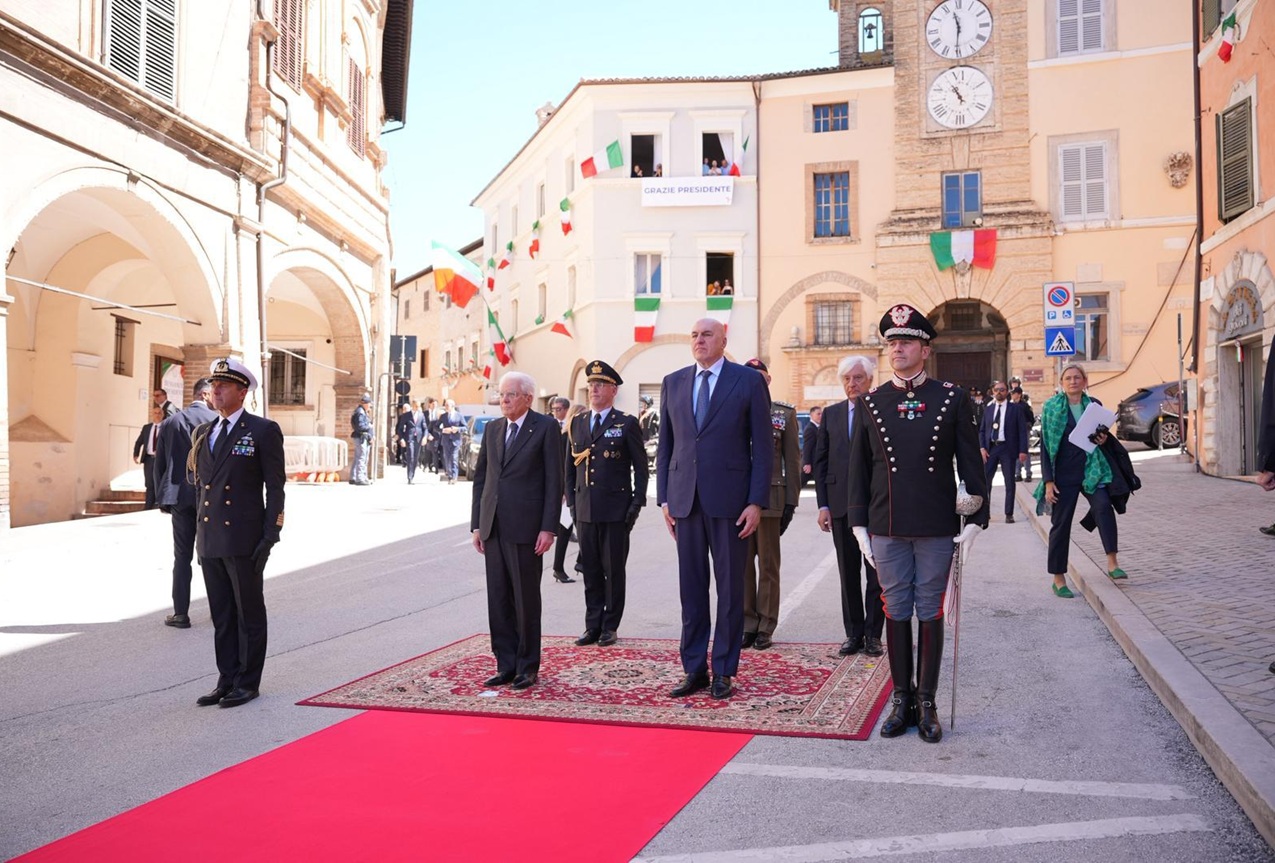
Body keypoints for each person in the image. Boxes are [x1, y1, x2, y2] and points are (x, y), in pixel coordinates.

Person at [847, 304, 988, 743]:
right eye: (892, 342)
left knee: (928, 608)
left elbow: (970, 461)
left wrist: (976, 517)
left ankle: (926, 703)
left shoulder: (951, 398)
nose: (898, 349)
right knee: (894, 607)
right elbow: (859, 470)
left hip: (934, 522)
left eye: (906, 342)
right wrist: (858, 525)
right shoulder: (871, 402)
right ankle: (900, 699)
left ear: (925, 350)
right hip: (886, 521)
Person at [657, 318, 772, 700]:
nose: (699, 340)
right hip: (685, 501)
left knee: (730, 590)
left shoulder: (747, 381)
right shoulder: (674, 382)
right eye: (694, 335)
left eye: (707, 335)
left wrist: (756, 501)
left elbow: (763, 448)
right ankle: (694, 668)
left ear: (723, 340)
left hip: (731, 502)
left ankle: (723, 669)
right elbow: (666, 446)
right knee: (691, 590)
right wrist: (664, 499)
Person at [190, 358, 286, 709]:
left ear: (242, 392)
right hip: (211, 538)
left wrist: (270, 534)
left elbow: (275, 487)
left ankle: (247, 682)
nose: (215, 390)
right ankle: (226, 678)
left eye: (224, 385)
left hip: (244, 538)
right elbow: (201, 488)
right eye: (213, 385)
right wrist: (198, 537)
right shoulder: (205, 432)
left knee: (248, 614)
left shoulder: (262, 430)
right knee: (222, 615)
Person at [470, 372, 562, 690]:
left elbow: (554, 481)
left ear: (528, 398)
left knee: (525, 600)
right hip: (493, 525)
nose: (504, 399)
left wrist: (548, 527)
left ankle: (527, 666)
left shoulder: (545, 427)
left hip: (527, 528)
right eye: (502, 394)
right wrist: (477, 524)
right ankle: (505, 664)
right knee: (498, 599)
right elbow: (482, 479)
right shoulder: (494, 428)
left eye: (510, 394)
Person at [565, 361, 648, 646]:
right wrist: (572, 504)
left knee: (613, 571)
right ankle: (592, 625)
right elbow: (569, 468)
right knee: (590, 571)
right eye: (591, 385)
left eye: (600, 385)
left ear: (613, 390)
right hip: (585, 509)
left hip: (615, 511)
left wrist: (636, 505)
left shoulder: (626, 423)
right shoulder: (577, 423)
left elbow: (641, 469)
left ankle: (610, 626)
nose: (594, 389)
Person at [1036, 364, 1126, 597]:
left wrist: (1103, 439)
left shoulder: (1094, 405)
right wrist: (1048, 481)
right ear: (1061, 383)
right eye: (1068, 378)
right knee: (1061, 524)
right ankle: (1058, 579)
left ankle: (1112, 563)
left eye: (1077, 377)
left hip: (1091, 469)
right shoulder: (1051, 407)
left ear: (1085, 381)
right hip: (1063, 474)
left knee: (1103, 506)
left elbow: (1103, 437)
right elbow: (1046, 447)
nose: (1073, 381)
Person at [815, 355, 884, 658]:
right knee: (848, 573)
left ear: (870, 380)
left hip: (875, 507)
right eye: (847, 379)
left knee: (876, 574)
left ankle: (873, 635)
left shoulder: (881, 411)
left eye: (858, 378)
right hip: (840, 506)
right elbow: (821, 462)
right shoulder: (831, 415)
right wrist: (823, 505)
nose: (852, 384)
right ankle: (853, 633)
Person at [740, 358, 799, 651]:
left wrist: (791, 503)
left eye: (761, 377)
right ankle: (747, 624)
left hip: (771, 500)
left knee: (768, 566)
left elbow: (793, 460)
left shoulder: (782, 414)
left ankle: (766, 626)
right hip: (737, 501)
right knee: (741, 567)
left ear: (769, 380)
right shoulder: (733, 410)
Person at [153, 377, 217, 629]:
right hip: (209, 497)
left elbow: (160, 464)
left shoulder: (171, 422)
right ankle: (218, 610)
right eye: (214, 393)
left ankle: (180, 613)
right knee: (211, 555)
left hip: (180, 497)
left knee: (182, 556)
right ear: (205, 394)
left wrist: (162, 497)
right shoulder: (217, 420)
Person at [979, 380, 1029, 523]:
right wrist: (982, 448)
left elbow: (1022, 431)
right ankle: (985, 513)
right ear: (992, 392)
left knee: (1009, 482)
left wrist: (1023, 450)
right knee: (986, 482)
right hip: (991, 449)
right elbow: (982, 430)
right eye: (996, 390)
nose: (999, 392)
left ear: (1007, 392)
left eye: (1002, 389)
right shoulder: (988, 409)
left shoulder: (1015, 409)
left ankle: (1009, 513)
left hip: (1008, 448)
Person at [549, 397, 577, 584]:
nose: (556, 412)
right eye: (554, 409)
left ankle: (580, 564)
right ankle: (558, 568)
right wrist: (564, 490)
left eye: (559, 409)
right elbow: (561, 465)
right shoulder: (565, 435)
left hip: (576, 488)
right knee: (565, 529)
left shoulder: (573, 434)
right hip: (568, 489)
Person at [133, 406, 165, 509]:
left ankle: (159, 505)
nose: (157, 415)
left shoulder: (166, 428)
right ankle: (148, 506)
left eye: (159, 413)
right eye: (155, 413)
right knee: (149, 484)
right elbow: (139, 442)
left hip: (161, 460)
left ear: (163, 415)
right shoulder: (146, 428)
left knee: (159, 482)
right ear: (152, 414)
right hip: (148, 459)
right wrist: (136, 454)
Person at [395, 403, 424, 484]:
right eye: (416, 406)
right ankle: (410, 477)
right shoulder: (406, 415)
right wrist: (401, 439)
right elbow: (400, 428)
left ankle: (412, 474)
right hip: (409, 438)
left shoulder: (421, 415)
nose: (417, 408)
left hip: (418, 439)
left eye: (418, 406)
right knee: (410, 456)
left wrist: (425, 437)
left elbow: (424, 427)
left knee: (415, 458)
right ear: (413, 406)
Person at [438, 399, 465, 484]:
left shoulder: (459, 415)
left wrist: (457, 429)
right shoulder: (443, 416)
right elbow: (435, 427)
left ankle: (454, 477)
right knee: (447, 459)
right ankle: (450, 476)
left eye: (447, 405)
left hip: (455, 440)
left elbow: (465, 427)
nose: (445, 407)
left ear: (452, 406)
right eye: (445, 405)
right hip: (446, 440)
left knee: (454, 458)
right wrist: (443, 430)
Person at [1012, 387, 1036, 482]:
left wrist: (1028, 426)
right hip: (1014, 431)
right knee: (1015, 452)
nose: (1012, 395)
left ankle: (1028, 473)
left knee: (1025, 452)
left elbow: (1031, 418)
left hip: (1024, 431)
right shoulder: (1011, 405)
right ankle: (1017, 473)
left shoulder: (1025, 406)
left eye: (1014, 393)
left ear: (1019, 394)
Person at [349, 393, 373, 485]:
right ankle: (360, 478)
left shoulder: (360, 411)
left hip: (360, 437)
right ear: (365, 403)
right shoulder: (361, 412)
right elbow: (360, 426)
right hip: (361, 437)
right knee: (362, 458)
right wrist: (369, 426)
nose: (370, 406)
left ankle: (353, 477)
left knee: (358, 457)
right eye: (369, 404)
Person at [801, 405, 823, 487]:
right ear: (811, 415)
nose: (821, 416)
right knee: (800, 481)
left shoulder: (817, 427)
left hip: (816, 463)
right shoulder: (810, 429)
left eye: (821, 414)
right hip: (812, 463)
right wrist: (807, 463)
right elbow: (807, 447)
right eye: (818, 414)